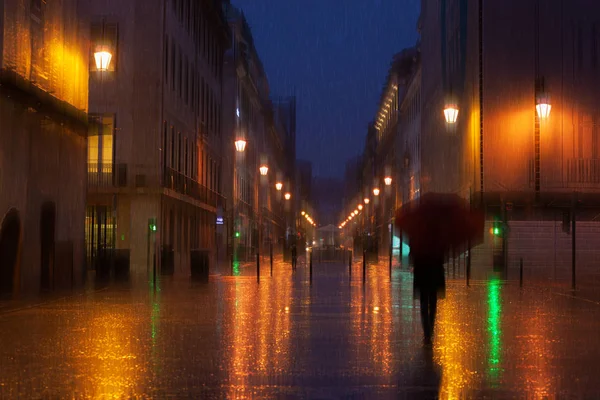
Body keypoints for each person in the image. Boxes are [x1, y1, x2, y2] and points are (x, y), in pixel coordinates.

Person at [410, 232, 446, 346]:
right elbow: (442, 256)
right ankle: (430, 329)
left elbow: (412, 254)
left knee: (424, 303)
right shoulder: (439, 237)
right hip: (434, 275)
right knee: (432, 303)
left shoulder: (417, 236)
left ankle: (427, 332)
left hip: (422, 274)